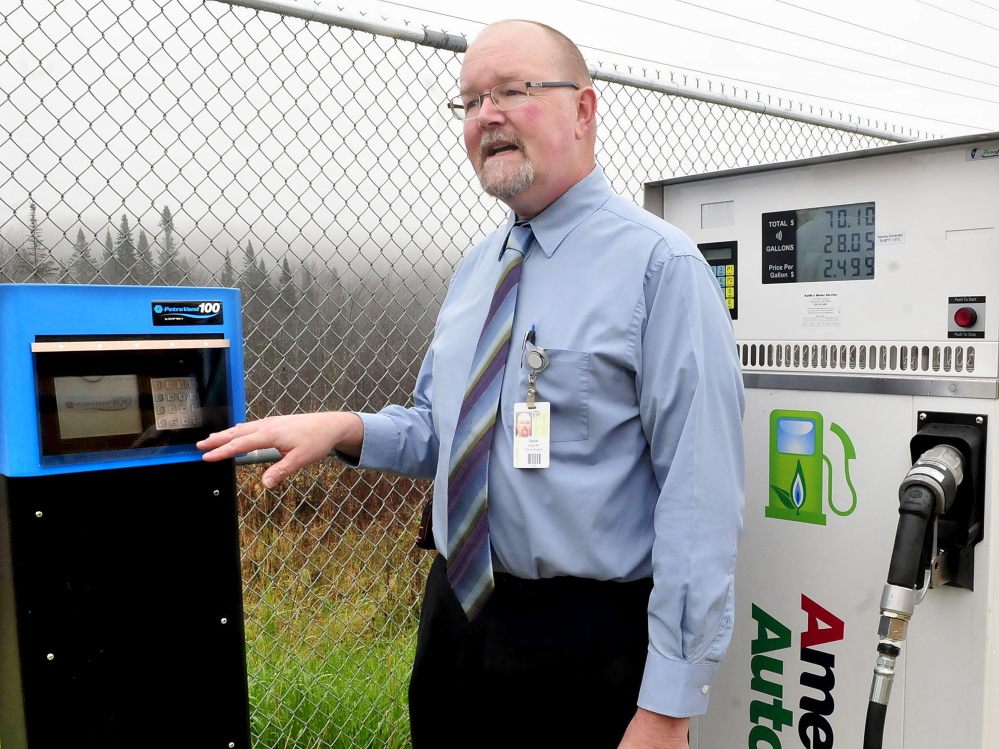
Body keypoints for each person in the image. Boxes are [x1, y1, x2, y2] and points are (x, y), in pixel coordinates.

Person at [199, 19, 744, 749]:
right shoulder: (475, 268)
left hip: (586, 644)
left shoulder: (660, 268)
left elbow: (700, 494)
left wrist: (667, 709)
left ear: (583, 111)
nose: (486, 115)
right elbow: (440, 429)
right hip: (456, 614)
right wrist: (345, 427)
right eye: (469, 101)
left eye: (512, 91)